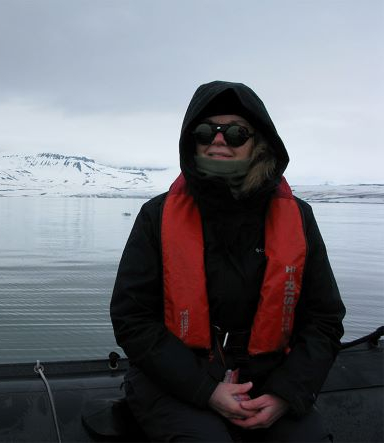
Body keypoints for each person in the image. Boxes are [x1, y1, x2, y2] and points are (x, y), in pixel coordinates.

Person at [110, 80, 346, 442]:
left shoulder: (298, 218)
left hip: (269, 380)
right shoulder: (156, 217)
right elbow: (133, 318)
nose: (218, 140)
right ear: (193, 141)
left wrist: (285, 394)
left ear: (259, 142)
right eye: (206, 131)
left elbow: (324, 320)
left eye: (236, 133)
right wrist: (207, 391)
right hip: (173, 380)